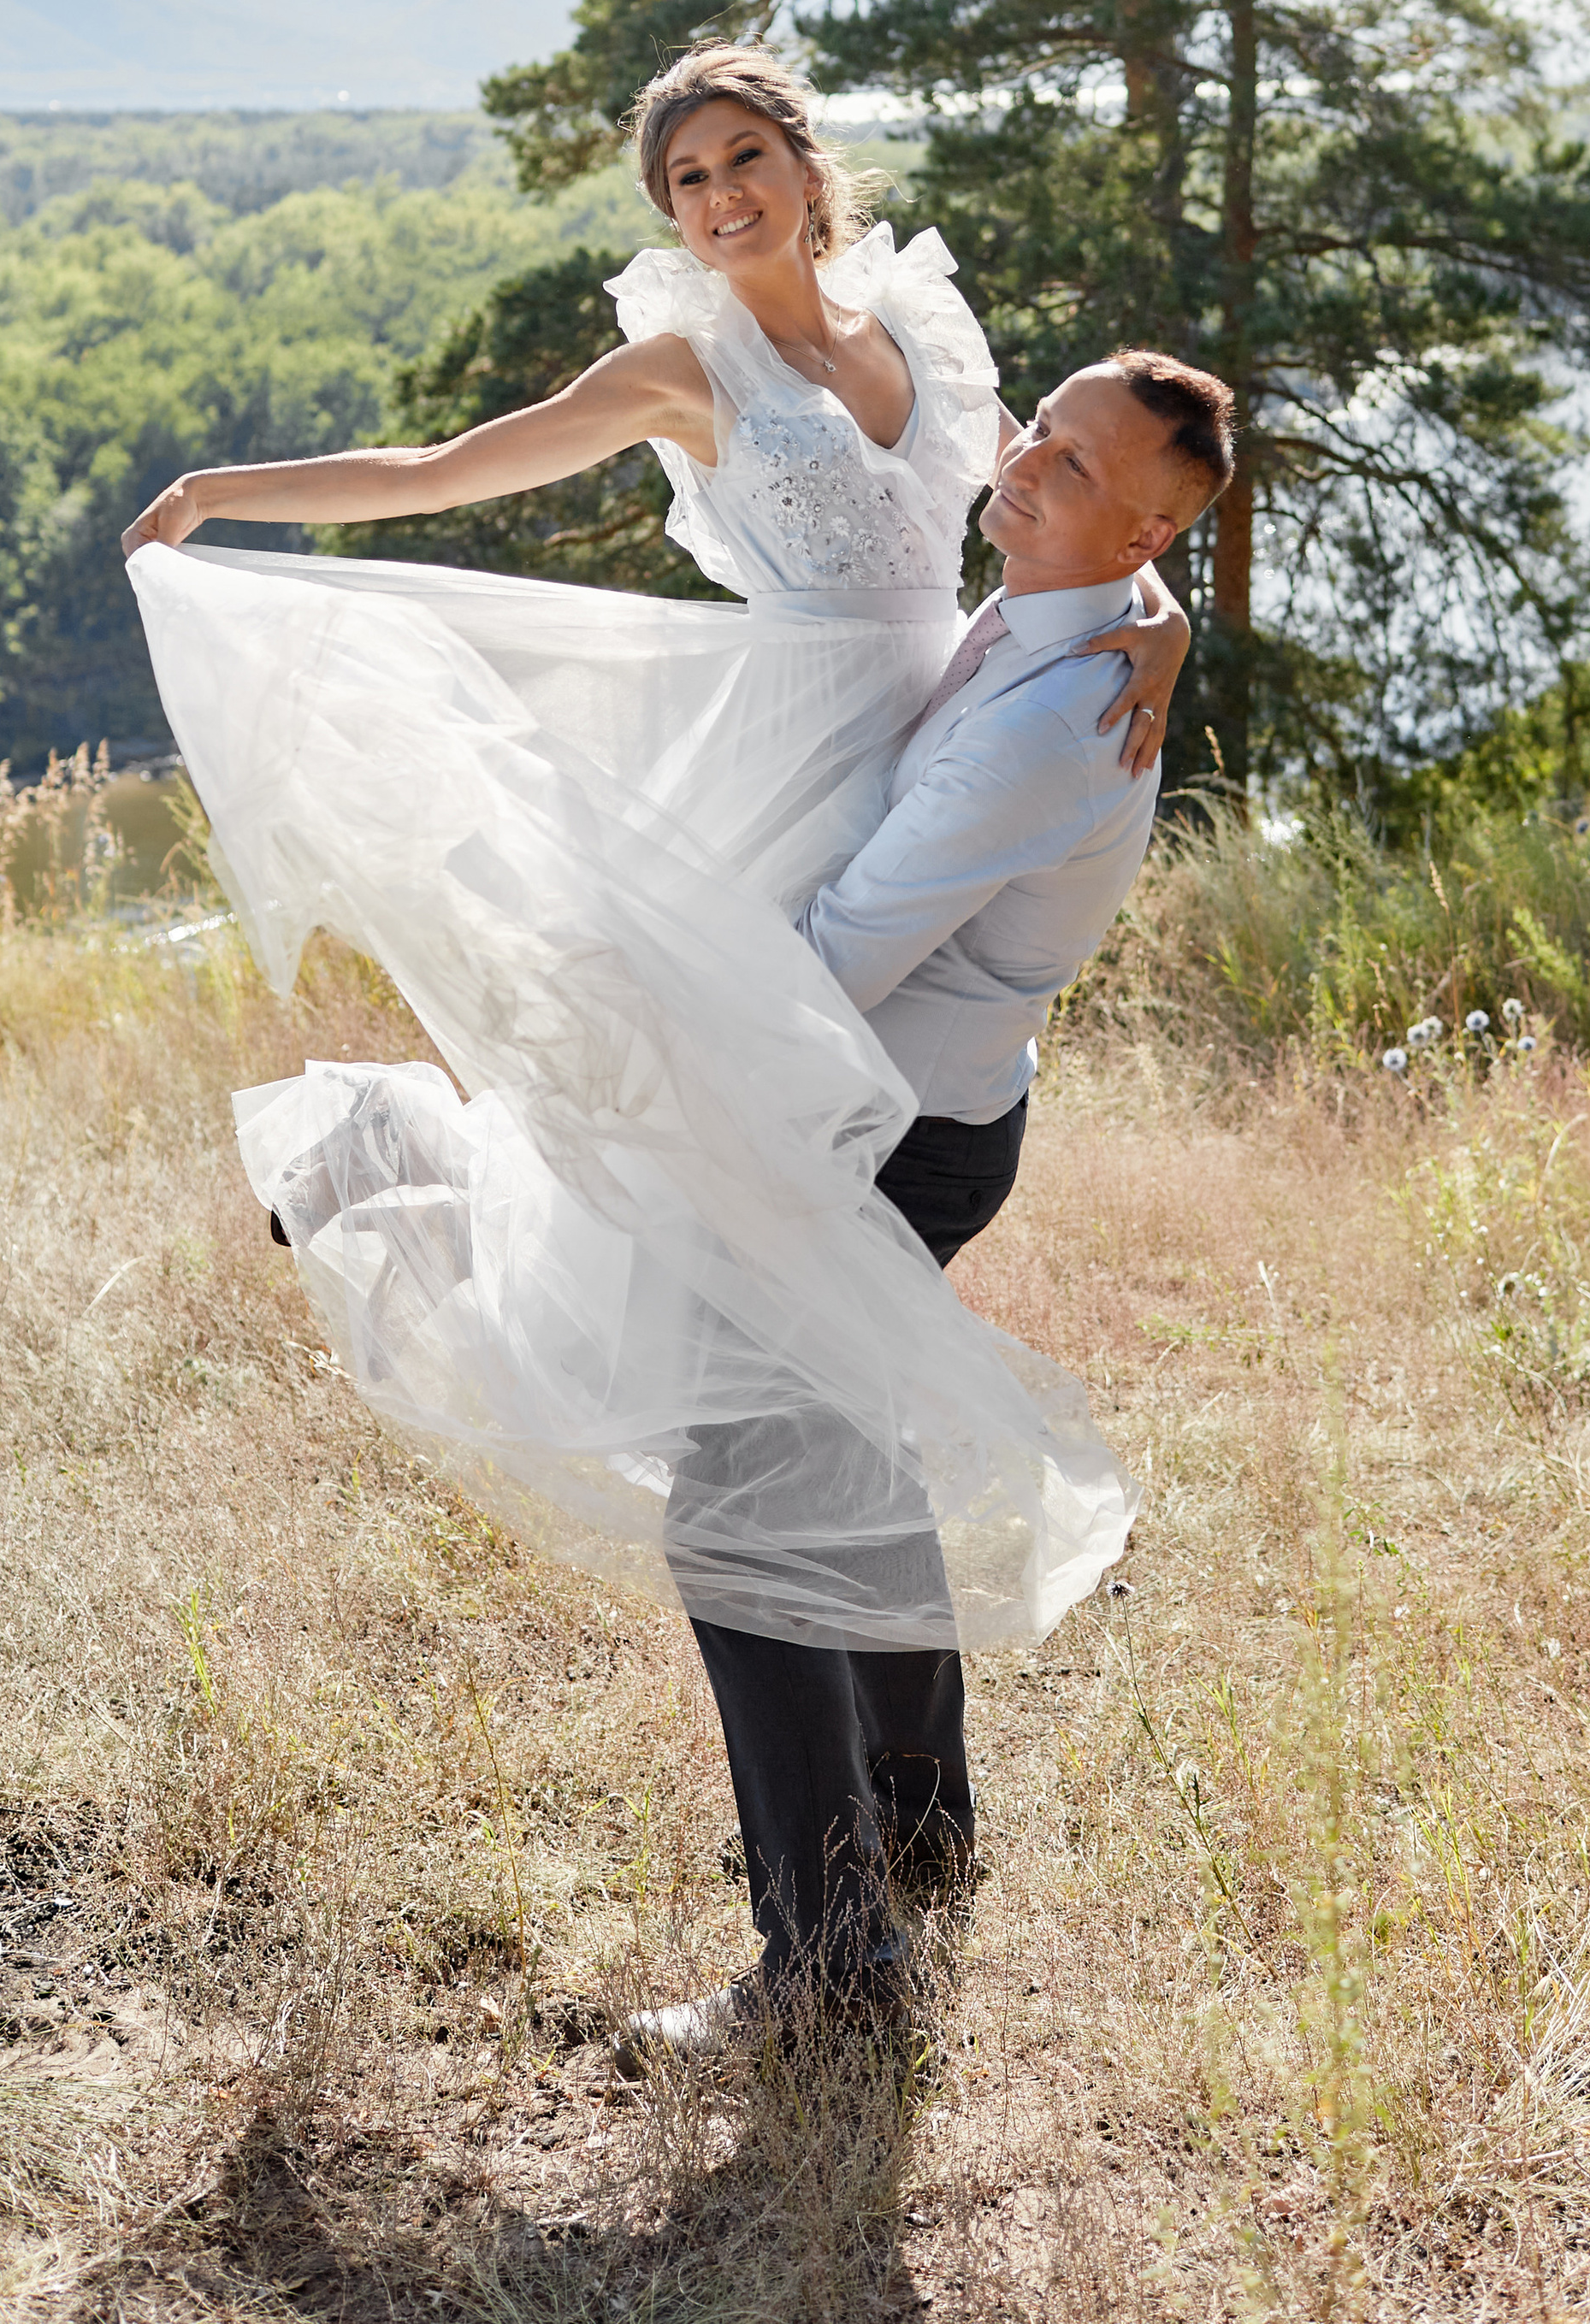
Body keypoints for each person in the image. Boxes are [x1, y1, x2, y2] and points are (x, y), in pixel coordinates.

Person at [116, 41, 1197, 1670]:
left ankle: (826, 1615)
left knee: (755, 1236)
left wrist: (1161, 619)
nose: (720, 195)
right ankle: (382, 1163)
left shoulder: (921, 328)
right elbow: (441, 471)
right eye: (687, 179)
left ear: (807, 166)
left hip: (929, 755)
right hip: (790, 770)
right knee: (679, 1150)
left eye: (743, 156)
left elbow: (1068, 507)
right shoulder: (686, 369)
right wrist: (219, 492)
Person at [618, 347, 1235, 2070]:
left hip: (892, 1137)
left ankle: (828, 1964)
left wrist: (628, 986)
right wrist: (1162, 605)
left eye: (1072, 462)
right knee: (845, 1455)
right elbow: (1125, 544)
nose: (1021, 460)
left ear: (1143, 526)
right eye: (1040, 426)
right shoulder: (1081, 606)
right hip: (918, 1118)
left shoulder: (1048, 725)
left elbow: (834, 961)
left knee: (741, 1510)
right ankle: (919, 1820)